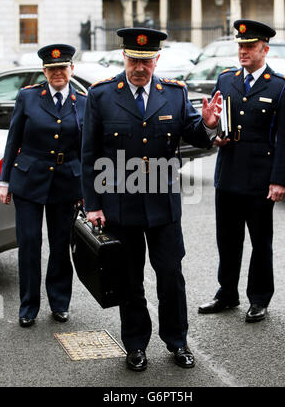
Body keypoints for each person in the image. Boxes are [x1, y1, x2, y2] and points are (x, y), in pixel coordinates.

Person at [81, 27, 222, 371]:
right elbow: (89, 155)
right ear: (123, 56)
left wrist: (208, 125)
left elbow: (195, 135)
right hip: (119, 204)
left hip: (163, 206)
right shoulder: (101, 96)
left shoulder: (174, 93)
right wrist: (93, 204)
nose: (139, 67)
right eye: (133, 59)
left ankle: (177, 341)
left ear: (156, 59)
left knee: (171, 276)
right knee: (130, 280)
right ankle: (135, 345)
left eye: (146, 61)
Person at [198, 20, 285, 322]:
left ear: (264, 49)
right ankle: (226, 293)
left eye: (250, 46)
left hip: (260, 177)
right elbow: (215, 122)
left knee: (260, 242)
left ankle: (259, 298)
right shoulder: (226, 80)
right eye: (240, 46)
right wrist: (214, 132)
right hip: (228, 172)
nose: (243, 51)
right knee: (226, 240)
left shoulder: (282, 86)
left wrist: (280, 180)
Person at [0, 44, 87, 327]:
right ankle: (28, 306)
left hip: (67, 183)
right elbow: (14, 139)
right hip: (29, 180)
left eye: (63, 68)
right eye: (52, 69)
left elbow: (87, 149)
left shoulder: (83, 101)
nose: (58, 73)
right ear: (44, 71)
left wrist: (88, 189)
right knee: (29, 244)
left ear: (71, 69)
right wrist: (4, 181)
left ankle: (59, 303)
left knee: (61, 245)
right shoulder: (28, 97)